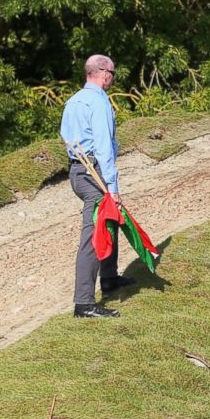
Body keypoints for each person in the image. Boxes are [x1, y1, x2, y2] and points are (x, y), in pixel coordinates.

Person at [60, 54, 132, 319]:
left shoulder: (74, 100)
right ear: (103, 73)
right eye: (112, 73)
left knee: (108, 219)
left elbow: (66, 136)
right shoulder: (99, 102)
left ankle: (109, 277)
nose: (112, 78)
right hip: (94, 171)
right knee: (93, 234)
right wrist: (113, 186)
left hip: (77, 170)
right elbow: (103, 146)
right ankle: (84, 303)